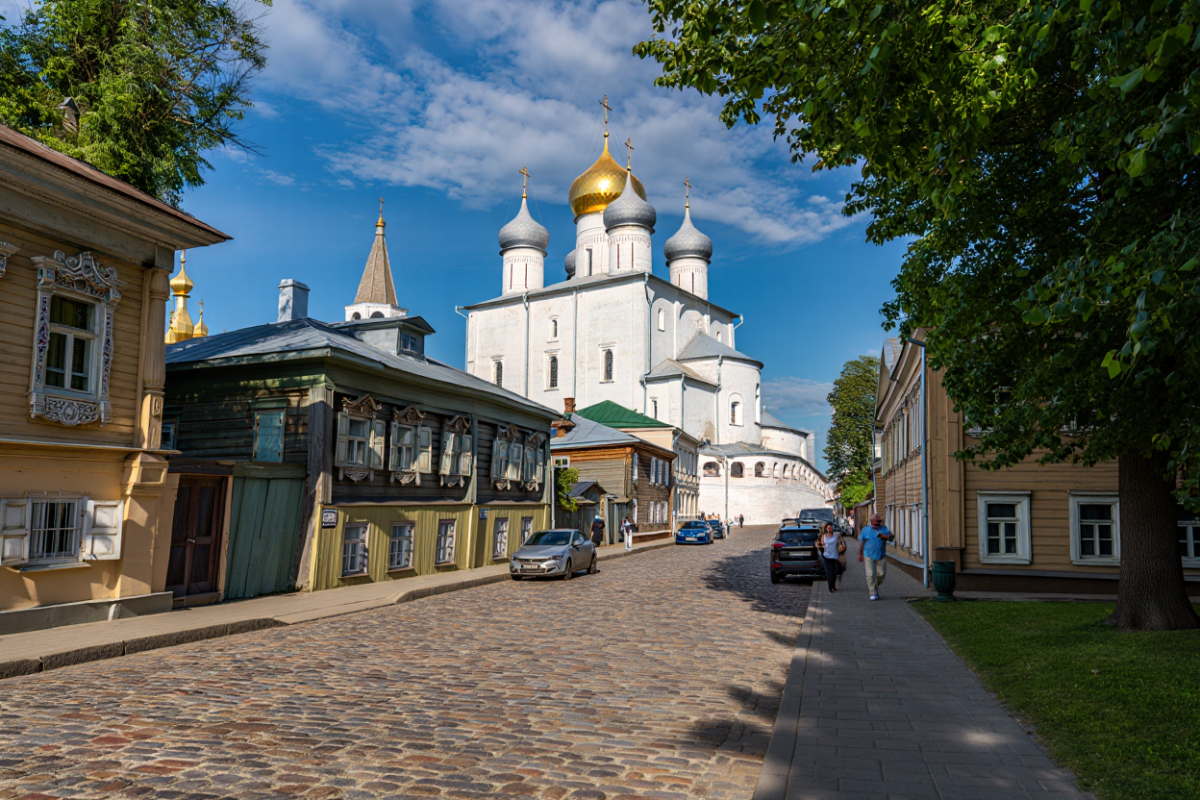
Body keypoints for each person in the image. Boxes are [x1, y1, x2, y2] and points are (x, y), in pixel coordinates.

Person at [859, 513, 894, 600]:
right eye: (876, 522)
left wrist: (884, 536)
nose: (878, 523)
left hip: (880, 554)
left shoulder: (884, 528)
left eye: (879, 521)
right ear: (871, 521)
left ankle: (874, 586)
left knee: (882, 574)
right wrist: (860, 554)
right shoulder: (865, 530)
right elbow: (862, 542)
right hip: (868, 554)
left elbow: (891, 537)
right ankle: (873, 592)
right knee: (870, 574)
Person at [817, 522, 845, 592]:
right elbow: (821, 544)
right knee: (830, 573)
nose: (829, 529)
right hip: (827, 557)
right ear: (826, 529)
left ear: (832, 528)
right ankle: (831, 587)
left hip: (835, 556)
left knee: (835, 571)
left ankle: (833, 586)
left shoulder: (836, 535)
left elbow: (841, 542)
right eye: (828, 528)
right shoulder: (823, 536)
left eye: (830, 527)